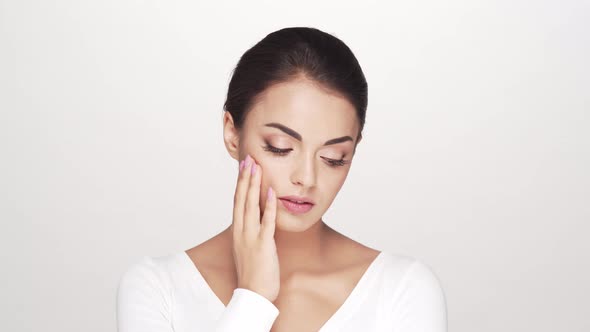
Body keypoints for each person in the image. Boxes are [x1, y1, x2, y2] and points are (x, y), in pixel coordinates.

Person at [117, 27, 447, 332]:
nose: (306, 178)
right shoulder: (157, 288)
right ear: (233, 134)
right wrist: (253, 298)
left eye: (334, 158)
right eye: (281, 148)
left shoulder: (402, 289)